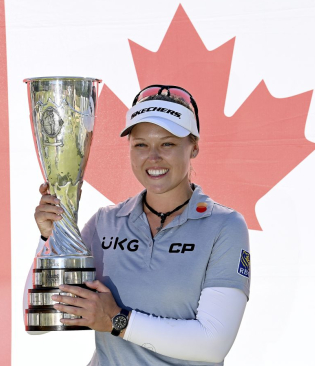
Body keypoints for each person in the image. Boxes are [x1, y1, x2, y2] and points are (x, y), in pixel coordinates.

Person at [33, 85, 251, 366]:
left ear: (194, 146)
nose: (153, 157)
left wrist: (117, 320)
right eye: (141, 145)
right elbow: (46, 312)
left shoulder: (224, 226)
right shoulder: (105, 221)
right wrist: (49, 236)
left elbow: (212, 344)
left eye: (168, 143)